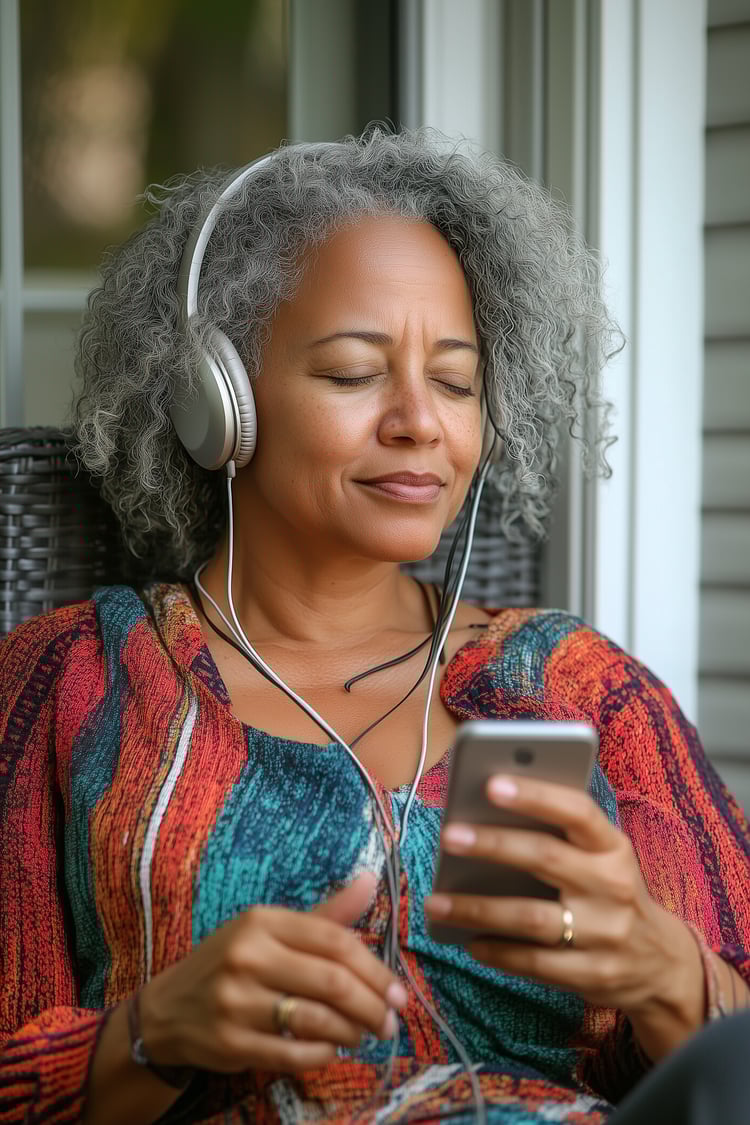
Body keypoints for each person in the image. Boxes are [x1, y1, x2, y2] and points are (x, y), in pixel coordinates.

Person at [0, 127, 748, 1125]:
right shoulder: (69, 682)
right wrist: (154, 1031)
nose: (419, 423)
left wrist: (665, 974)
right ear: (214, 404)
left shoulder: (582, 686)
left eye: (454, 380)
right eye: (354, 373)